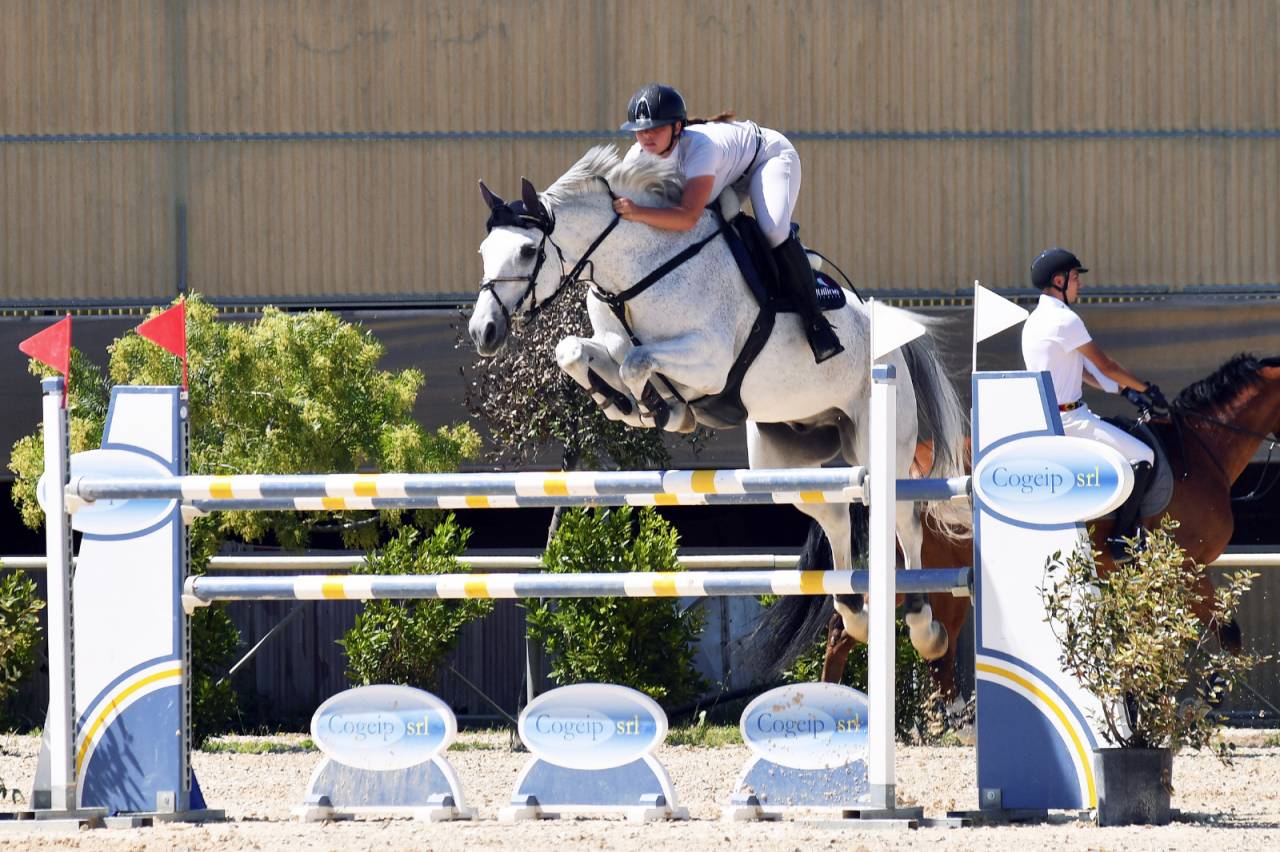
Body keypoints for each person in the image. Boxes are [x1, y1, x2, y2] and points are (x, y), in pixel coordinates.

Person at [614, 83, 843, 363]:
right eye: (640, 130)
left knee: (773, 230)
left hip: (765, 158)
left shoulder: (700, 148)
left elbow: (687, 216)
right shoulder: (634, 158)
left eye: (656, 128)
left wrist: (637, 211)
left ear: (677, 127)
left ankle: (816, 321)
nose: (646, 136)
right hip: (724, 174)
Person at [1021, 247, 1169, 559]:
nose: (1080, 284)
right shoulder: (1065, 320)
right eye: (1075, 278)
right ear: (1059, 281)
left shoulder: (1035, 321)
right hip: (1070, 421)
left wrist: (1126, 392)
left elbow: (1084, 372)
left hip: (1047, 416)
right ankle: (1122, 538)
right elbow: (1106, 365)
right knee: (1144, 455)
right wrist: (1147, 388)